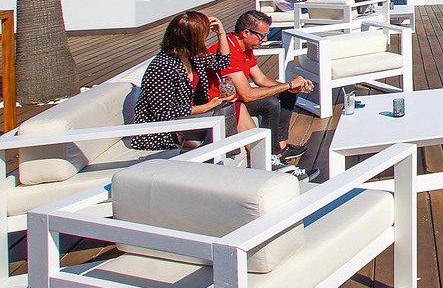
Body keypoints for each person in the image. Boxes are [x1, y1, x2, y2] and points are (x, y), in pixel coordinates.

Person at [212, 10, 314, 178]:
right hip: (223, 104)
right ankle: (270, 156)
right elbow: (246, 94)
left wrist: (289, 88)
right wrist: (288, 84)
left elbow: (260, 79)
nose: (265, 40)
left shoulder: (245, 47)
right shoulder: (228, 51)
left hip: (236, 98)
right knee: (270, 104)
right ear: (245, 33)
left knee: (287, 94)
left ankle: (280, 149)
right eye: (262, 36)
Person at [129, 11, 239, 150]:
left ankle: (225, 149)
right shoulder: (162, 67)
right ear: (193, 39)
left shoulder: (192, 58)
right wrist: (206, 107)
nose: (206, 38)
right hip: (162, 131)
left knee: (225, 107)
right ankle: (225, 150)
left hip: (184, 121)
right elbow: (164, 113)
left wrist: (221, 34)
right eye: (204, 34)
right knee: (221, 113)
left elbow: (222, 62)